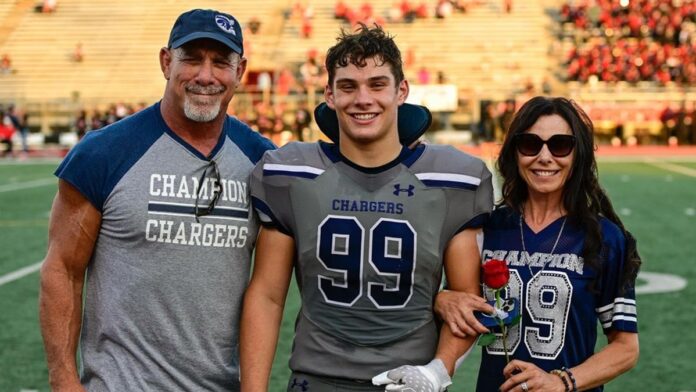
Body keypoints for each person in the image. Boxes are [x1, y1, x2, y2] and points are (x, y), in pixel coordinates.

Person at [240, 24, 493, 392]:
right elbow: (267, 294)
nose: (363, 99)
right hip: (317, 378)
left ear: (401, 91)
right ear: (328, 94)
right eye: (348, 86)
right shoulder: (291, 173)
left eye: (377, 84)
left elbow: (464, 302)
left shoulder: (453, 180)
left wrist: (437, 371)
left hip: (409, 382)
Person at [39, 8, 274, 391]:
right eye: (192, 58)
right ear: (166, 62)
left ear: (240, 71)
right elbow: (62, 270)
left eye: (220, 62)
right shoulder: (104, 152)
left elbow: (271, 290)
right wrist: (64, 379)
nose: (205, 75)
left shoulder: (261, 160)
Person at [436, 96, 640, 392]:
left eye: (560, 145)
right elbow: (457, 302)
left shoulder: (604, 237)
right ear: (514, 152)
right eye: (530, 144)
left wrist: (561, 382)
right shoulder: (484, 228)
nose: (544, 157)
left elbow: (626, 348)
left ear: (577, 154)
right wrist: (440, 300)